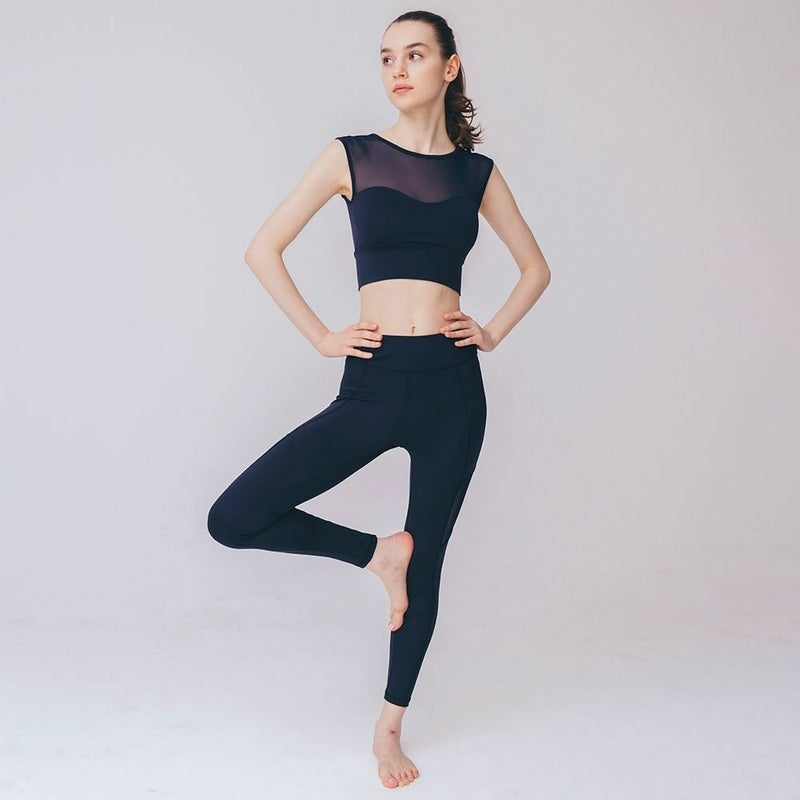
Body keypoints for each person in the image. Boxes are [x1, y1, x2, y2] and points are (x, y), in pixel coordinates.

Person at [206, 9, 550, 790]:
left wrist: (490, 331)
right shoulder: (351, 156)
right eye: (388, 57)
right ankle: (377, 555)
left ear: (449, 67)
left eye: (416, 54)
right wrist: (321, 336)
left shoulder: (477, 174)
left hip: (452, 389)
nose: (398, 69)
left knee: (430, 564)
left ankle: (389, 728)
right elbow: (263, 248)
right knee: (234, 516)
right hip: (374, 379)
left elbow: (536, 267)